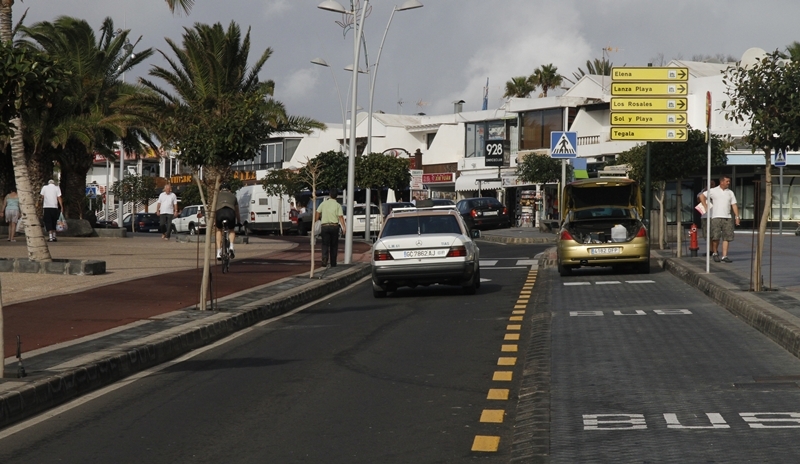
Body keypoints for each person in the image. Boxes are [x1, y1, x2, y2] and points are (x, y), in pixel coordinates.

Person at [699, 175, 740, 263]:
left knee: (727, 237)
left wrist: (737, 217)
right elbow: (701, 196)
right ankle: (715, 253)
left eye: (729, 181)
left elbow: (734, 205)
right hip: (716, 217)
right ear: (721, 182)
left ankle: (724, 256)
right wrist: (705, 206)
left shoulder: (730, 192)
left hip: (727, 217)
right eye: (727, 181)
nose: (728, 183)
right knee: (716, 237)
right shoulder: (713, 191)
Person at [315, 189, 346, 267]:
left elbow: (317, 212)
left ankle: (324, 258)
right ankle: (333, 262)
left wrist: (316, 220)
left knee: (325, 244)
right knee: (334, 245)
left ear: (329, 195)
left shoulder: (323, 203)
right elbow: (340, 217)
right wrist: (344, 227)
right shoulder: (338, 205)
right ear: (336, 196)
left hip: (325, 226)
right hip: (334, 226)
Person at [215, 183, 240, 260]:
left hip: (220, 213)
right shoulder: (233, 196)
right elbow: (237, 211)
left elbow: (213, 209)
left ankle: (218, 252)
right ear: (230, 190)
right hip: (230, 213)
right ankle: (231, 246)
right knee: (231, 229)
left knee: (219, 230)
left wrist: (214, 221)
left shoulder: (217, 196)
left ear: (220, 190)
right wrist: (239, 221)